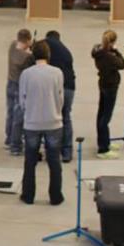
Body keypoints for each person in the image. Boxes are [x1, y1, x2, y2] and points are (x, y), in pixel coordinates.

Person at [19, 40, 64, 206]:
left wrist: (29, 112)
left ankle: (28, 195)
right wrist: (56, 112)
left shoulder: (26, 74)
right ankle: (56, 196)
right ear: (48, 54)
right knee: (54, 162)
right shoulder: (57, 73)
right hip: (53, 122)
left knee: (30, 161)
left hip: (32, 123)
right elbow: (60, 97)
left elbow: (22, 99)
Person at [91, 30, 124, 160]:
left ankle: (104, 141)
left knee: (101, 113)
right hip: (111, 86)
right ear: (112, 42)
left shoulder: (98, 51)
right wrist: (116, 51)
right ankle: (103, 149)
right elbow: (123, 64)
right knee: (105, 117)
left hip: (103, 84)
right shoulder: (110, 57)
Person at [45, 31, 76, 163]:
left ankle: (52, 150)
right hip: (69, 87)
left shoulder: (46, 44)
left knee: (51, 118)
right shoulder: (66, 51)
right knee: (66, 117)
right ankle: (67, 151)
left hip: (56, 87)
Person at [6, 29, 34, 156]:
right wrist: (30, 52)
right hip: (19, 86)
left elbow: (19, 49)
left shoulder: (12, 46)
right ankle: (15, 146)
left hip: (10, 83)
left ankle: (9, 138)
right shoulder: (26, 57)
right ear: (28, 40)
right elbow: (30, 68)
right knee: (19, 117)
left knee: (10, 113)